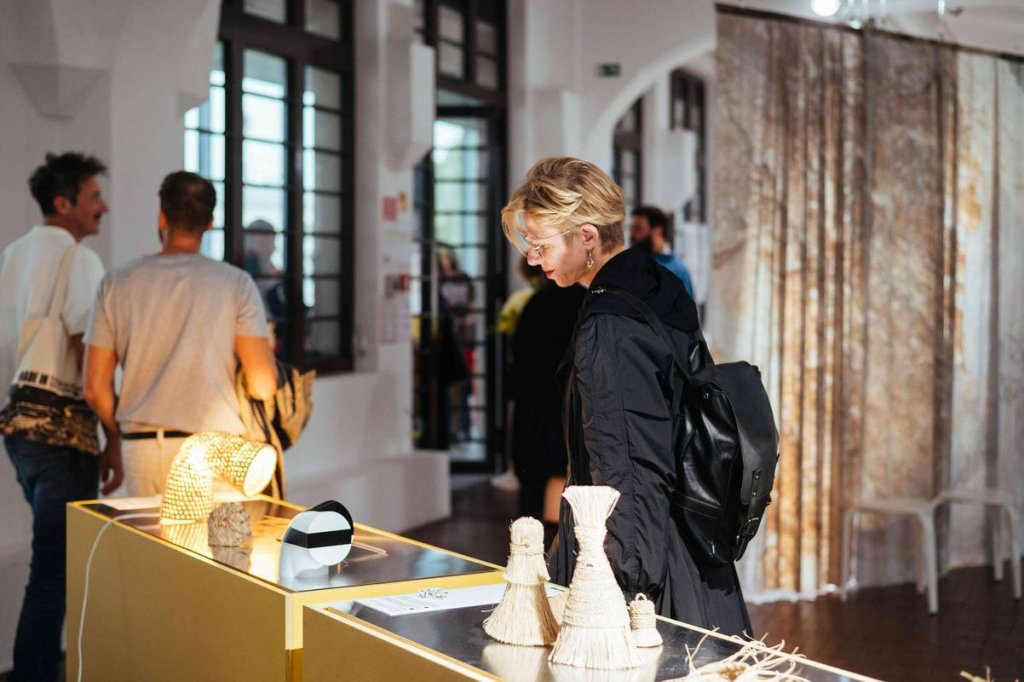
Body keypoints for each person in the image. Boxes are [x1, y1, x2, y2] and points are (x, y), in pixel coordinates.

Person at [501, 157, 750, 635]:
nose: (532, 259)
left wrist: (623, 591)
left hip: (642, 563)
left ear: (587, 237)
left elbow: (629, 473)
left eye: (541, 245)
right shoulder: (656, 283)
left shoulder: (609, 326)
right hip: (689, 543)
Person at [0, 152, 120, 682]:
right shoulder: (79, 258)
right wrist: (114, 435)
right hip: (63, 432)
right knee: (55, 570)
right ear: (63, 203)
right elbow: (89, 354)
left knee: (48, 564)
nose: (103, 207)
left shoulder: (12, 254)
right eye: (94, 197)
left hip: (19, 427)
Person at [84, 171, 277, 496]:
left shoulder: (117, 282)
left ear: (162, 218)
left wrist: (117, 435)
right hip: (215, 449)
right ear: (210, 222)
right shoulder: (235, 284)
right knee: (215, 533)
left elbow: (93, 388)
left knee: (150, 532)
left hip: (142, 447)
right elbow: (263, 384)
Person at [510, 277, 584, 532]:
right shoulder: (582, 303)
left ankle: (528, 535)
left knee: (533, 475)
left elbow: (519, 352)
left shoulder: (536, 302)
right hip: (564, 400)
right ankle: (556, 537)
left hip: (533, 399)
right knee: (561, 469)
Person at [630, 205, 694, 298]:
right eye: (632, 228)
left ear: (658, 232)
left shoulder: (679, 272)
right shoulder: (631, 265)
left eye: (639, 229)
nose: (632, 234)